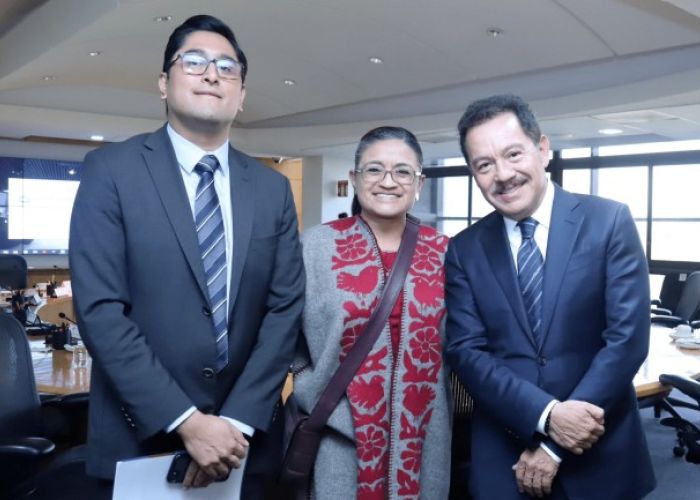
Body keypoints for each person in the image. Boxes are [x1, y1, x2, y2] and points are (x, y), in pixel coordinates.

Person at [69, 14, 304, 498]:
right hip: (142, 438)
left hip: (245, 446)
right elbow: (100, 311)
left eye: (227, 67)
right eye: (193, 61)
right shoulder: (110, 171)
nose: (212, 74)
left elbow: (283, 310)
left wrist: (232, 424)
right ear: (164, 83)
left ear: (241, 94)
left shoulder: (272, 189)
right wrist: (188, 422)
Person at [445, 94, 655, 499]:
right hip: (504, 452)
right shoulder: (463, 249)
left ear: (542, 149)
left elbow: (627, 340)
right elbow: (466, 351)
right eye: (484, 165)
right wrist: (546, 416)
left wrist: (556, 441)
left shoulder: (608, 221)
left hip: (601, 450)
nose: (502, 175)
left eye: (513, 154)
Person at [292, 126, 452, 499]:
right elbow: (284, 334)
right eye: (374, 169)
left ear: (419, 184)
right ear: (354, 178)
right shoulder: (315, 246)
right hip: (337, 435)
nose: (388, 182)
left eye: (402, 172)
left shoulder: (444, 252)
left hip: (424, 438)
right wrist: (307, 384)